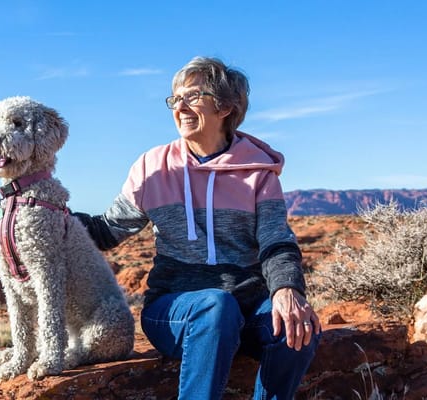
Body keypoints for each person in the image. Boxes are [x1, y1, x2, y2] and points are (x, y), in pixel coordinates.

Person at [74, 56, 321, 399]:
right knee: (216, 307)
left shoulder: (258, 173)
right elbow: (107, 230)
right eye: (175, 99)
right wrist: (46, 210)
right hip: (174, 311)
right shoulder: (153, 168)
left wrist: (286, 290)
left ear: (225, 107)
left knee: (299, 329)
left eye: (192, 95)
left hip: (246, 306)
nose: (180, 106)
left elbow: (276, 241)